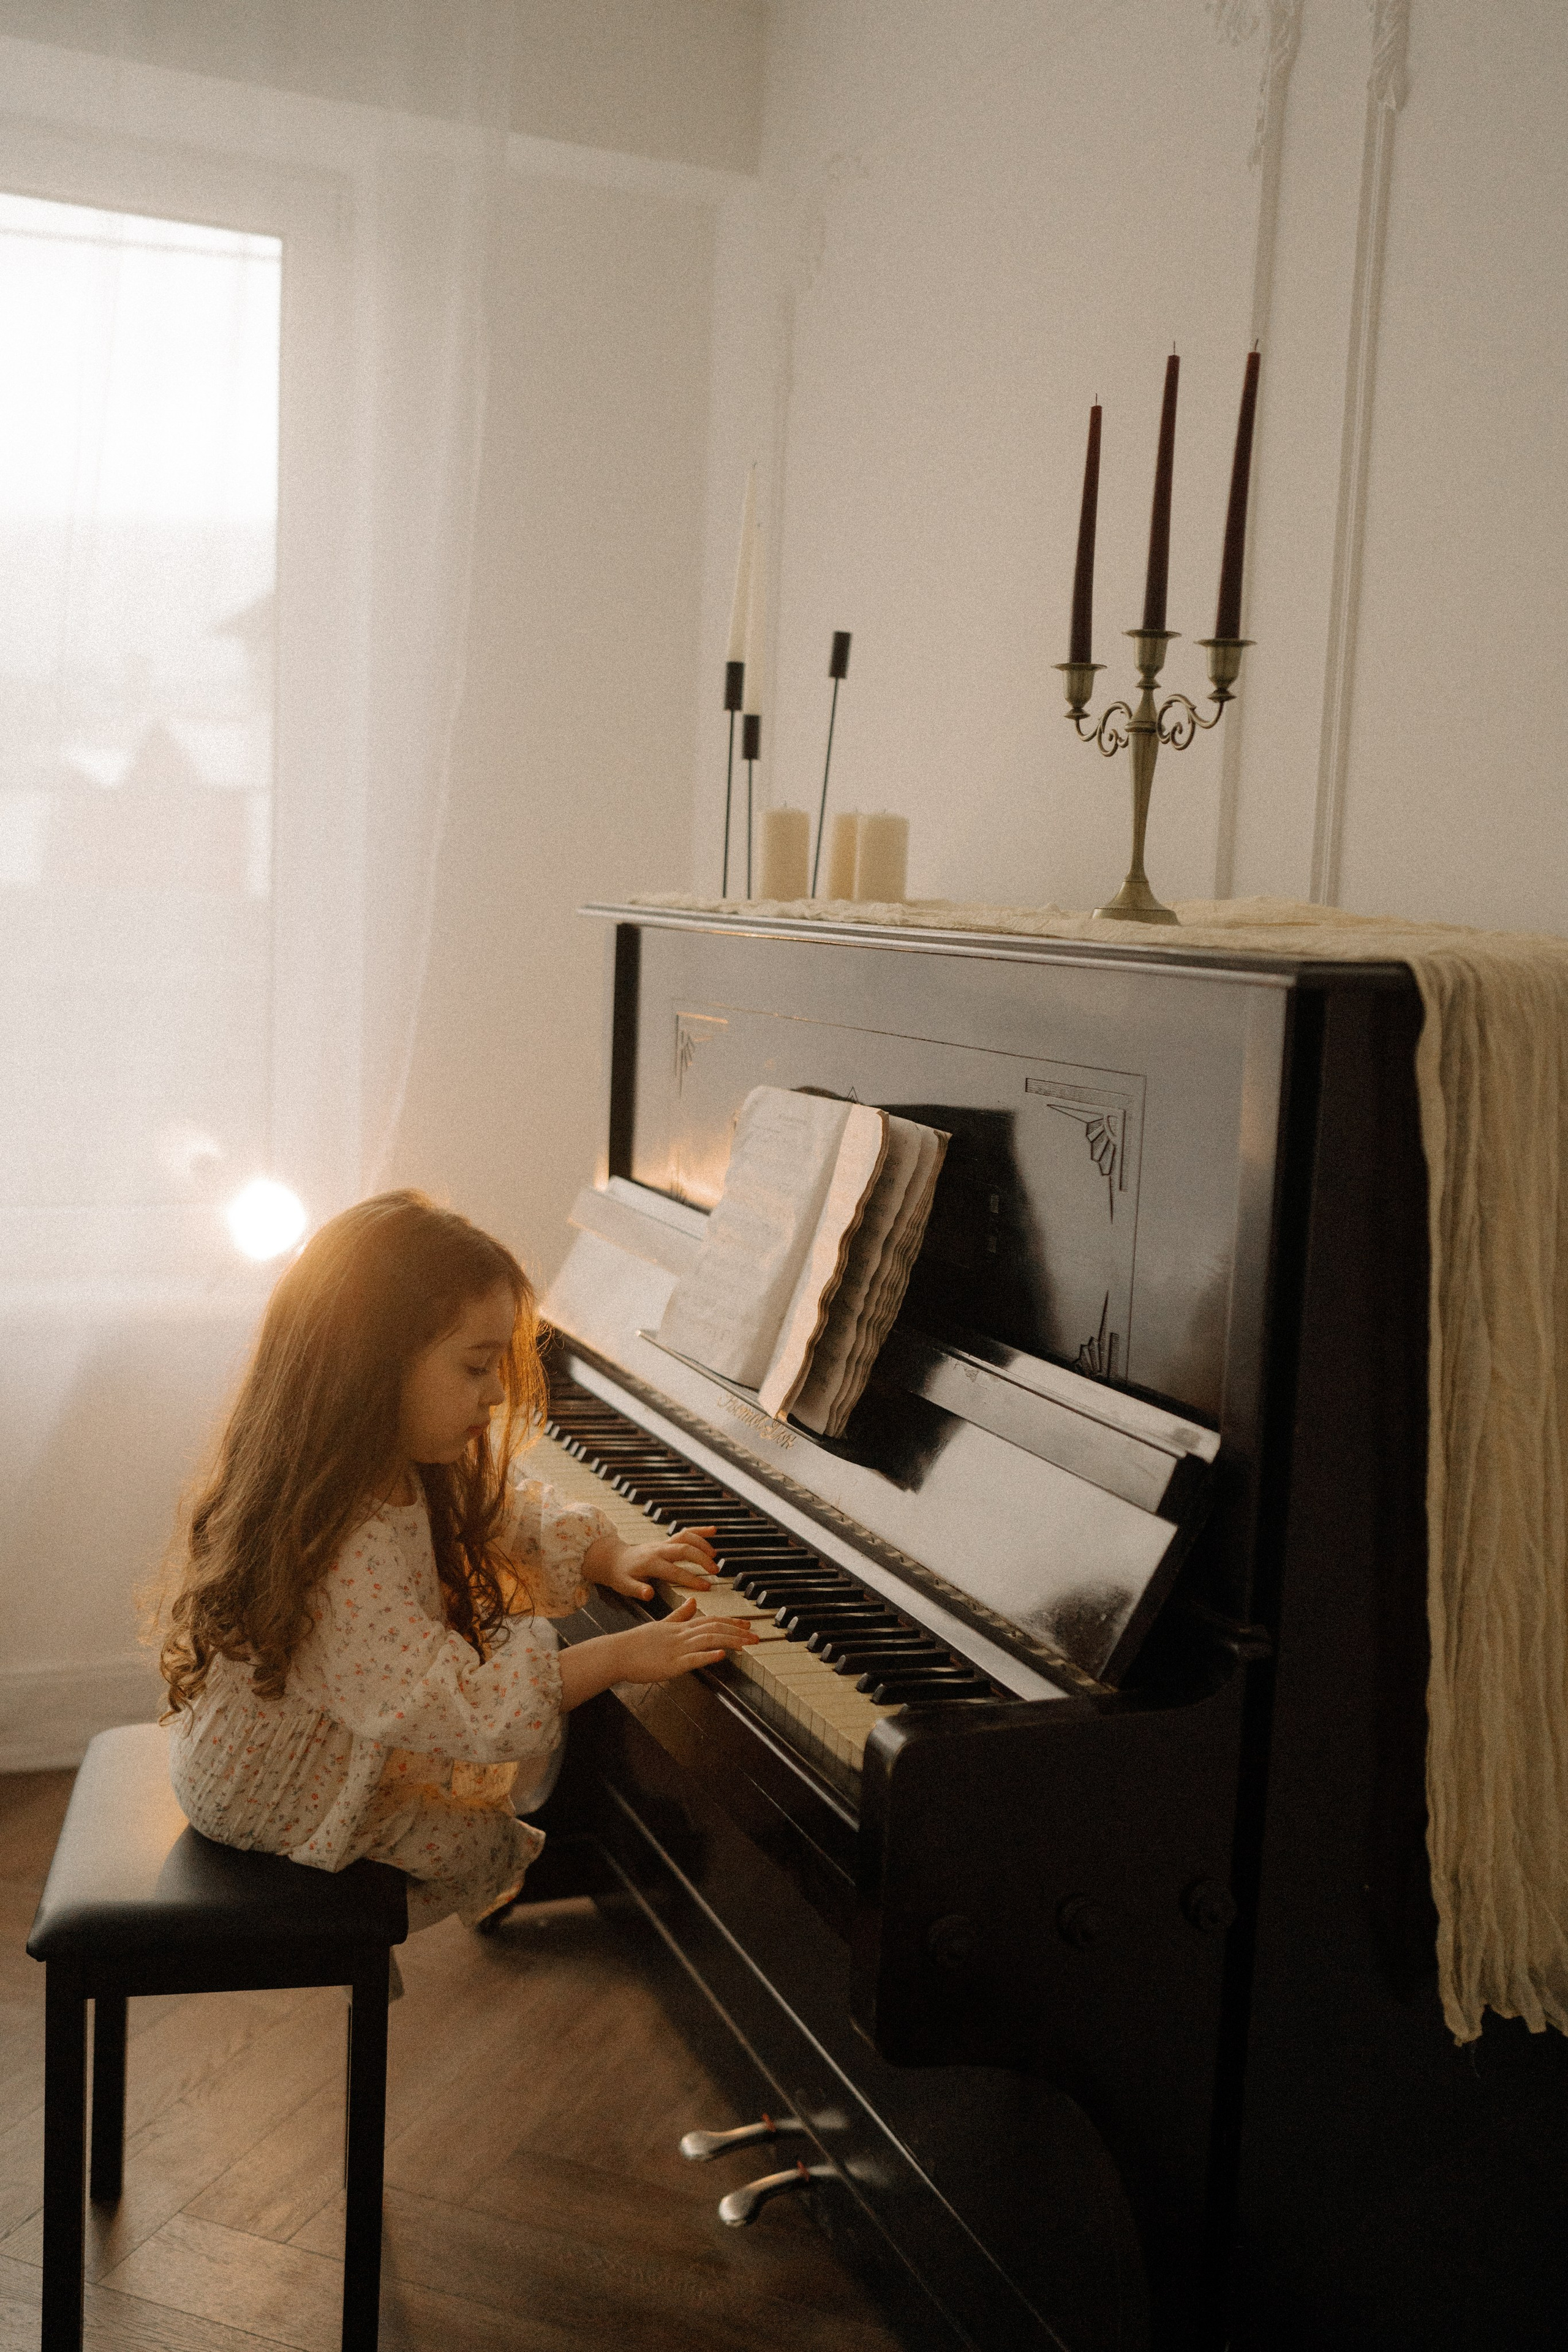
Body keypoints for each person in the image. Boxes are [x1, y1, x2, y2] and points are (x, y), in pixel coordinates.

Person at [155, 1189, 757, 1935]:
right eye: (475, 1368)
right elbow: (450, 1699)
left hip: (317, 1733)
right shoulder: (338, 1539)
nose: (497, 1392)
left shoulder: (388, 1455)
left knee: (495, 1779)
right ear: (372, 1368)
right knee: (479, 1840)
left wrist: (609, 1552)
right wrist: (618, 1657)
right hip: (271, 1786)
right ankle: (347, 1939)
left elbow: (506, 1509)